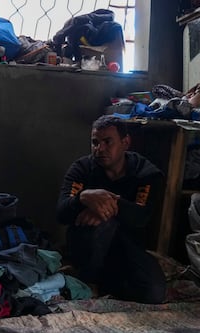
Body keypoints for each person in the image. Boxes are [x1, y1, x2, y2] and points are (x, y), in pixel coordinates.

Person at [56, 114, 166, 304]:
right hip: (87, 246)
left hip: (127, 248)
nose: (100, 149)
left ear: (125, 142)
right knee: (104, 226)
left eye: (108, 142)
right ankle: (88, 278)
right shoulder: (82, 168)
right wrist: (84, 197)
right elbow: (62, 213)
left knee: (155, 293)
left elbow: (141, 217)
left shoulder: (145, 172)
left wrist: (106, 205)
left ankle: (106, 283)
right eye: (95, 142)